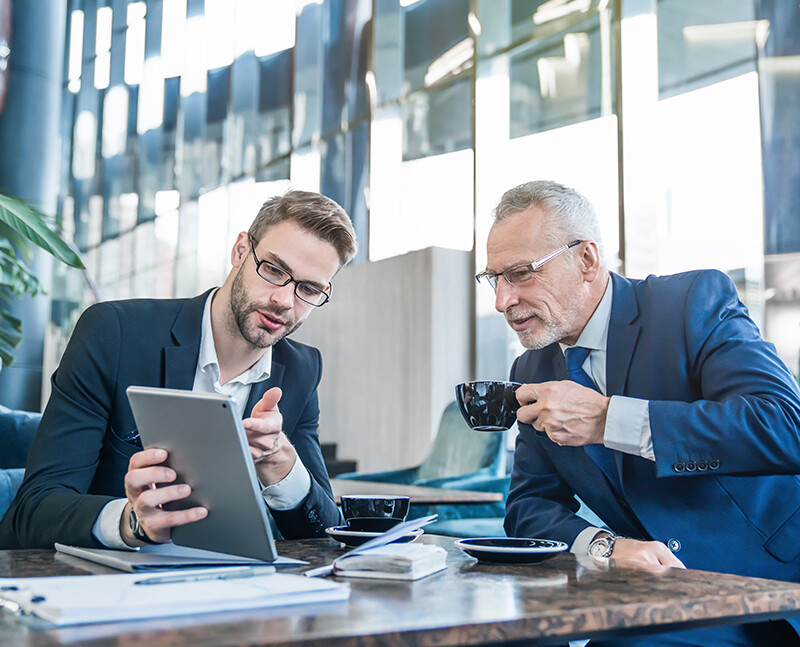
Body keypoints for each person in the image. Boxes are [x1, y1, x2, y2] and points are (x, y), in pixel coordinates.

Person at [478, 180, 800, 645]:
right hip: (651, 596)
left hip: (765, 589)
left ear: (586, 259)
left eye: (522, 273)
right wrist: (607, 548)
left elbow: (784, 427)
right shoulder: (531, 367)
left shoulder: (691, 302)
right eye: (494, 278)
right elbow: (530, 506)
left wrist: (610, 420)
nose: (501, 301)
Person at [0, 190, 357, 550]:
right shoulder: (114, 334)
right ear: (240, 251)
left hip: (236, 590)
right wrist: (131, 522)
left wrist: (280, 462)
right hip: (111, 585)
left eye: (308, 289)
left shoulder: (301, 370)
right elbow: (34, 509)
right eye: (274, 270)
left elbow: (326, 535)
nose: (283, 300)